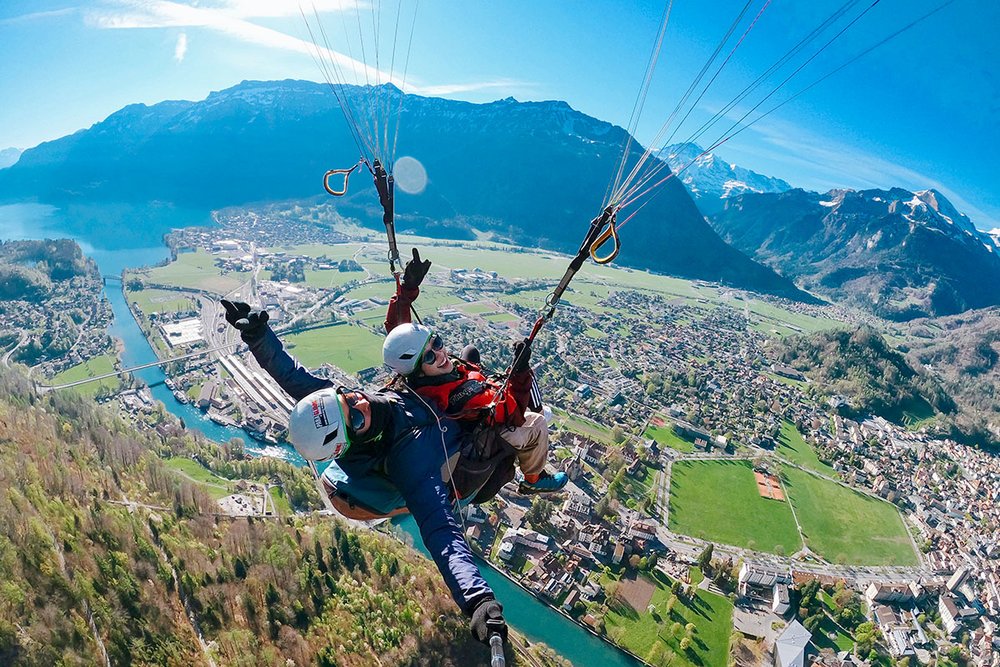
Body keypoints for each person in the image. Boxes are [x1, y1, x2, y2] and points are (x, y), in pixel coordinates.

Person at [219, 299, 507, 648]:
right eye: (356, 419)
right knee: (499, 442)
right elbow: (440, 533)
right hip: (378, 494)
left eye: (348, 397)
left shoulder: (351, 408)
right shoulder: (408, 459)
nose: (360, 404)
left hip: (366, 474)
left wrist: (257, 334)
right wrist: (477, 600)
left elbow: (293, 377)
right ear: (350, 440)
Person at [382, 249, 568, 494]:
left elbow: (398, 334)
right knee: (539, 422)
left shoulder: (413, 379)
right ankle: (534, 480)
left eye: (436, 343)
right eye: (429, 356)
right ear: (418, 369)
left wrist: (406, 291)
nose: (440, 353)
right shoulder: (464, 396)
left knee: (470, 353)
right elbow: (514, 412)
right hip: (480, 438)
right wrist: (520, 372)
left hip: (464, 417)